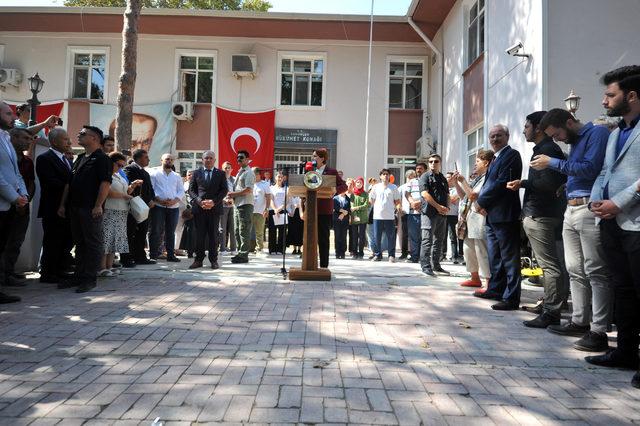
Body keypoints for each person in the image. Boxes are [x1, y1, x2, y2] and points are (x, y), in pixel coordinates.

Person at [534, 108, 612, 352]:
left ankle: (599, 330)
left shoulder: (596, 133)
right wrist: (567, 184)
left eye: (557, 133)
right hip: (571, 208)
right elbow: (579, 169)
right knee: (575, 270)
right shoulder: (576, 141)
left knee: (596, 270)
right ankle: (579, 320)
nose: (556, 139)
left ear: (569, 122)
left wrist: (553, 163)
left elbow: (590, 168)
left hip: (590, 207)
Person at [584, 66, 640, 388]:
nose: (604, 101)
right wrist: (596, 202)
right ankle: (626, 353)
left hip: (635, 222)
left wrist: (618, 202)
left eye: (610, 95)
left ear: (631, 96)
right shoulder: (616, 132)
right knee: (623, 291)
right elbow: (605, 172)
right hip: (611, 222)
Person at [507, 111, 568, 327]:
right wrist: (524, 183)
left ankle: (552, 312)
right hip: (546, 214)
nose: (524, 130)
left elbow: (550, 186)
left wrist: (524, 183)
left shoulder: (548, 151)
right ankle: (552, 305)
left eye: (526, 126)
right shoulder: (547, 150)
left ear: (538, 128)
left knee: (550, 266)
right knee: (555, 264)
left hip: (541, 215)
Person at [475, 124, 523, 310]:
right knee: (495, 257)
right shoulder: (495, 158)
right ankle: (496, 289)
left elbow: (502, 183)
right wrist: (484, 205)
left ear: (507, 136)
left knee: (509, 258)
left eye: (499, 135)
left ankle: (511, 298)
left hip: (505, 215)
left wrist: (481, 202)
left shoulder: (511, 155)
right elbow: (489, 184)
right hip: (492, 216)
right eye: (492, 136)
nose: (495, 139)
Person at [59, 125, 112, 293]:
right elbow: (69, 183)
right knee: (79, 243)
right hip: (74, 207)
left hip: (90, 208)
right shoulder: (80, 157)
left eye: (83, 134)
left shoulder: (102, 159)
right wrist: (62, 204)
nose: (78, 135)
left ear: (94, 138)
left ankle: (90, 278)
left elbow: (105, 184)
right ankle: (79, 276)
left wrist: (98, 205)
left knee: (93, 243)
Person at [36, 127, 74, 284]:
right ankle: (48, 272)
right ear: (54, 141)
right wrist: (71, 187)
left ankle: (60, 269)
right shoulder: (45, 158)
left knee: (65, 240)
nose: (69, 142)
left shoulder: (66, 159)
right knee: (52, 240)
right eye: (65, 139)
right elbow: (49, 182)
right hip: (53, 207)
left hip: (67, 207)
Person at [0, 102, 29, 303]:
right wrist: (14, 197)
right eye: (8, 113)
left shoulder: (6, 138)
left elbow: (16, 173)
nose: (13, 116)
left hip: (9, 205)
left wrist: (23, 195)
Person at [1, 128, 36, 287]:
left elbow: (29, 182)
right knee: (4, 242)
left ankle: (9, 272)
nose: (28, 142)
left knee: (16, 242)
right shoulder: (5, 156)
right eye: (25, 138)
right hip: (6, 204)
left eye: (30, 139)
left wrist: (25, 199)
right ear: (13, 138)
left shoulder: (27, 161)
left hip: (22, 206)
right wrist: (15, 199)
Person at [453, 150, 493, 288]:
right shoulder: (477, 178)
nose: (475, 164)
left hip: (479, 217)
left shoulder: (488, 177)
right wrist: (458, 183)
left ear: (486, 163)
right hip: (469, 217)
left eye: (477, 161)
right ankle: (474, 277)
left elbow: (473, 196)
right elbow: (464, 196)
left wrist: (463, 181)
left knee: (481, 249)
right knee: (468, 249)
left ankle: (488, 282)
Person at [99, 152, 138, 277]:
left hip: (121, 210)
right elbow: (107, 192)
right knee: (106, 238)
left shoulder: (118, 175)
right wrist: (124, 195)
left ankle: (109, 266)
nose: (120, 168)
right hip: (109, 209)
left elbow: (125, 191)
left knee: (115, 239)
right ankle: (101, 267)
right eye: (118, 165)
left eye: (122, 165)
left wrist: (132, 187)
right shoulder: (105, 174)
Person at [187, 150, 228, 269]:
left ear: (214, 160)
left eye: (211, 158)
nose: (208, 160)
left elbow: (224, 190)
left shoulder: (220, 173)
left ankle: (213, 260)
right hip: (199, 209)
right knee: (199, 236)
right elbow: (191, 190)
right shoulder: (196, 173)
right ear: (202, 160)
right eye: (206, 158)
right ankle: (198, 260)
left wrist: (213, 202)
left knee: (213, 236)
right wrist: (199, 201)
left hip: (214, 210)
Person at [121, 149, 156, 267]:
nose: (148, 159)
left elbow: (150, 189)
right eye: (146, 157)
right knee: (130, 232)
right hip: (133, 207)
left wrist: (151, 199)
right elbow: (129, 188)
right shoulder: (130, 169)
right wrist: (147, 200)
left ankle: (140, 256)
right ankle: (126, 258)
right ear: (139, 158)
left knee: (142, 232)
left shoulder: (145, 172)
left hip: (144, 208)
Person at [313, 148, 347, 268]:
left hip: (324, 209)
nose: (313, 158)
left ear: (322, 158)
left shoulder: (331, 171)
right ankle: (310, 264)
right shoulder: (310, 171)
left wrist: (335, 190)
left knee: (323, 238)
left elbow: (344, 185)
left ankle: (323, 265)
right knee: (310, 238)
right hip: (311, 209)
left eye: (315, 156)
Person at [148, 153, 184, 263]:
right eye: (167, 159)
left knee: (170, 232)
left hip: (173, 207)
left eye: (171, 160)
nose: (169, 161)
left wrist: (174, 200)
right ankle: (153, 255)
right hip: (158, 206)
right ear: (161, 160)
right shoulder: (154, 174)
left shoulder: (176, 176)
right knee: (156, 230)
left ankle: (170, 255)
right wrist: (159, 200)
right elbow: (151, 189)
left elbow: (181, 191)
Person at [419, 154, 450, 276]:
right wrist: (438, 207)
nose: (433, 163)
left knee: (439, 240)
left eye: (435, 161)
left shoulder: (442, 178)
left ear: (440, 163)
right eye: (430, 161)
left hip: (442, 213)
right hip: (429, 213)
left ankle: (436, 265)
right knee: (427, 240)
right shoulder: (425, 176)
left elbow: (447, 194)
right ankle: (426, 266)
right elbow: (425, 194)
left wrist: (446, 208)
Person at [226, 150, 255, 264]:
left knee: (244, 230)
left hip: (245, 204)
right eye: (238, 157)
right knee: (237, 230)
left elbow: (248, 190)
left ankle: (243, 255)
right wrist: (232, 197)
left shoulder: (249, 172)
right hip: (237, 204)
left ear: (247, 159)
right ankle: (240, 253)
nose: (239, 159)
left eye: (241, 157)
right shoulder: (239, 172)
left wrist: (233, 194)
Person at [369, 169, 401, 262]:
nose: (385, 176)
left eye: (387, 174)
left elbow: (397, 201)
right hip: (377, 216)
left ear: (389, 176)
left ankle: (391, 255)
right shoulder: (375, 187)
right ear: (380, 176)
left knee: (390, 237)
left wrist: (399, 207)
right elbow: (371, 201)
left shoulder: (393, 187)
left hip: (390, 216)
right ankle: (378, 255)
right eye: (383, 174)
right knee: (376, 237)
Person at [406, 162, 426, 263]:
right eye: (417, 168)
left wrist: (419, 202)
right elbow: (407, 193)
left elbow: (429, 195)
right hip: (413, 212)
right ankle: (414, 257)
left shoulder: (428, 180)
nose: (418, 170)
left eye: (421, 168)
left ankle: (423, 258)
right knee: (413, 236)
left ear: (425, 170)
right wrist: (412, 202)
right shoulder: (412, 181)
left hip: (425, 213)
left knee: (424, 236)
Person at [250, 167, 271, 254]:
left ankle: (259, 249)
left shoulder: (264, 184)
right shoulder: (249, 184)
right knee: (248, 230)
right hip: (249, 211)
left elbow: (268, 197)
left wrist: (266, 209)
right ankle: (249, 248)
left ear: (258, 174)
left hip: (260, 211)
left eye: (253, 174)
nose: (252, 176)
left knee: (259, 231)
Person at [444, 171, 463, 264]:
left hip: (453, 215)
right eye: (446, 177)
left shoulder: (457, 188)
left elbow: (453, 199)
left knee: (453, 236)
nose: (447, 179)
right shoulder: (444, 188)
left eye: (449, 177)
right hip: (443, 214)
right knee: (442, 236)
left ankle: (455, 256)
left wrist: (447, 198)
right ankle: (442, 255)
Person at [349, 177, 369, 259]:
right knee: (354, 236)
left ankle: (361, 252)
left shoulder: (365, 194)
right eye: (357, 182)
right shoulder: (353, 194)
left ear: (363, 184)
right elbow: (351, 204)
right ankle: (354, 252)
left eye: (360, 182)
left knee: (361, 236)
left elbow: (366, 205)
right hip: (355, 217)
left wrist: (357, 208)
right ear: (355, 184)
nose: (358, 184)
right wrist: (353, 208)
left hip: (363, 218)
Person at [398, 170, 416, 260]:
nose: (411, 178)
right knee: (405, 234)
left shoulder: (417, 186)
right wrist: (400, 209)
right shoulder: (402, 187)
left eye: (413, 176)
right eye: (410, 177)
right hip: (405, 212)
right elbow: (398, 199)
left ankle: (413, 252)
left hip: (415, 213)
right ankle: (404, 252)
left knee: (414, 234)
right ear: (407, 177)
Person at [179, 170, 197, 258]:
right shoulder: (183, 185)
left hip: (197, 210)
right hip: (187, 210)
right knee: (189, 231)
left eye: (192, 174)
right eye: (189, 174)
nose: (190, 176)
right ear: (186, 176)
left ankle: (197, 250)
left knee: (197, 232)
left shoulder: (198, 184)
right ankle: (189, 251)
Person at [269, 171, 287, 254]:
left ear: (283, 178)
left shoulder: (286, 188)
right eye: (278, 177)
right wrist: (275, 209)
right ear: (275, 178)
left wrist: (280, 209)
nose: (280, 178)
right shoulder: (271, 188)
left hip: (282, 210)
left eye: (281, 177)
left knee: (282, 232)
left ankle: (280, 249)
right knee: (272, 230)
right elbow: (271, 199)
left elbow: (287, 200)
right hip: (273, 210)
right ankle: (272, 249)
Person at [219, 161, 236, 253]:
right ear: (222, 169)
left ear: (232, 169)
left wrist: (233, 200)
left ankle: (233, 248)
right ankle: (222, 248)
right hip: (222, 206)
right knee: (223, 228)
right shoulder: (219, 180)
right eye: (225, 168)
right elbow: (216, 194)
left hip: (233, 206)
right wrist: (224, 200)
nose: (227, 169)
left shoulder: (234, 179)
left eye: (229, 168)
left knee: (233, 228)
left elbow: (238, 192)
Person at [333, 190, 351, 259]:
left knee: (344, 236)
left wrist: (343, 214)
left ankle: (343, 252)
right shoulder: (335, 198)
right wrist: (342, 211)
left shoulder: (348, 199)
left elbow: (349, 208)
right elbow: (335, 207)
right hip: (336, 219)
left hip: (345, 220)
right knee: (337, 236)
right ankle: (337, 253)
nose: (342, 191)